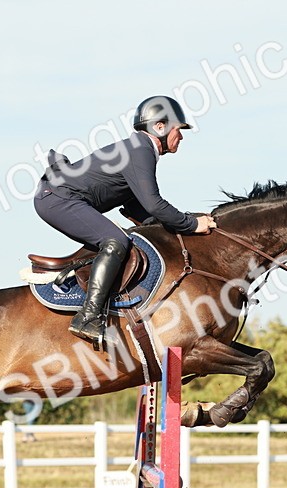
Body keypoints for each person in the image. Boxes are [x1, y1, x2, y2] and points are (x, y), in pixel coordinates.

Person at [33, 95, 216, 349]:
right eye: (179, 129)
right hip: (57, 199)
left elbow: (137, 209)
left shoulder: (138, 148)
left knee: (120, 239)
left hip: (57, 197)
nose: (181, 137)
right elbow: (154, 204)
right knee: (115, 240)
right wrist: (192, 224)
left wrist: (178, 228)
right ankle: (88, 318)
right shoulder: (141, 150)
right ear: (159, 127)